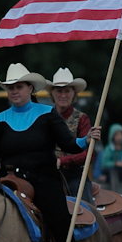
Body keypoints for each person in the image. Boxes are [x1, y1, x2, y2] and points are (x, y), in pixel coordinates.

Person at [0, 63, 101, 242]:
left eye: (18, 87)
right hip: (10, 179)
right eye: (10, 88)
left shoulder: (47, 114)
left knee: (59, 218)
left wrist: (86, 139)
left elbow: (69, 144)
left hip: (44, 179)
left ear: (30, 88)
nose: (14, 91)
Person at [46, 67, 94, 204]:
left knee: (84, 209)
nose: (63, 95)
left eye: (67, 91)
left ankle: (89, 225)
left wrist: (62, 161)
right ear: (52, 93)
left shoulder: (82, 119)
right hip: (46, 173)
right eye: (59, 91)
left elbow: (88, 153)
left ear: (74, 93)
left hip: (73, 176)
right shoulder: (43, 118)